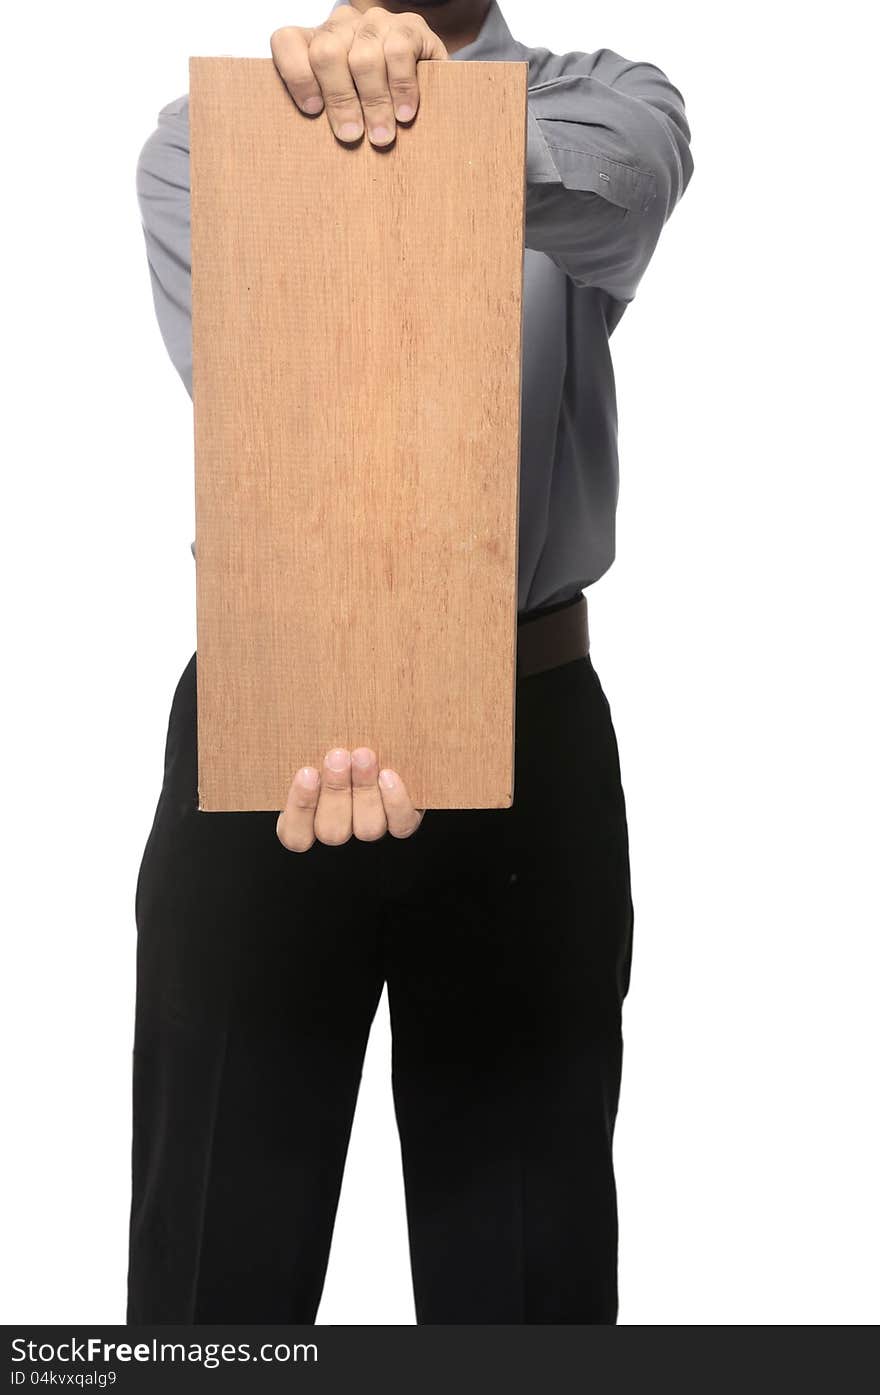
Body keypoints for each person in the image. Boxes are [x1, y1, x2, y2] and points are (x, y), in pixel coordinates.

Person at [128, 0, 693, 1324]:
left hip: (530, 728)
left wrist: (428, 108)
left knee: (528, 1268)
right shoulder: (200, 142)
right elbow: (292, 415)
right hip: (273, 720)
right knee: (212, 1274)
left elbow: (615, 193)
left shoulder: (609, 98)